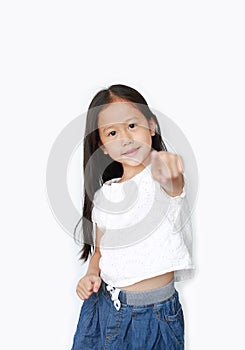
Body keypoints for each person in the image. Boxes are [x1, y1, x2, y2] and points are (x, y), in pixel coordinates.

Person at [71, 84, 195, 349]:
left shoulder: (159, 176)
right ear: (102, 147)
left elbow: (175, 185)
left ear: (151, 126)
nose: (125, 138)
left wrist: (172, 174)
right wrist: (90, 275)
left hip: (157, 316)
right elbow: (100, 252)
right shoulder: (105, 196)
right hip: (106, 310)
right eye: (112, 132)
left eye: (132, 126)